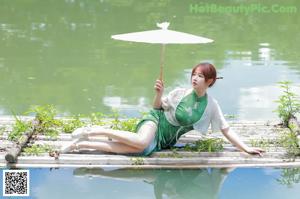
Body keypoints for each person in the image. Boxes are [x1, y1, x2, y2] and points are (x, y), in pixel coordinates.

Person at [59, 62, 264, 156]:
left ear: (209, 81)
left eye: (200, 76)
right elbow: (157, 107)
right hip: (156, 120)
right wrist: (158, 93)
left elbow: (226, 129)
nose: (194, 78)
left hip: (166, 139)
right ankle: (93, 131)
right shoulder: (179, 92)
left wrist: (245, 148)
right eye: (193, 74)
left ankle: (81, 146)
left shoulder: (211, 106)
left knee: (141, 150)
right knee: (141, 141)